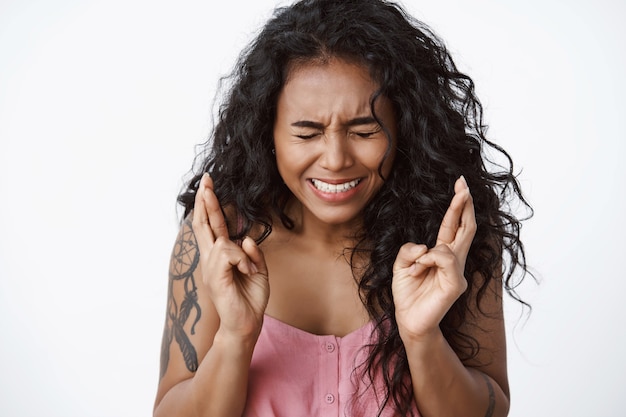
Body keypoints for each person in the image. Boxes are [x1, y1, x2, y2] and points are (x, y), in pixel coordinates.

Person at [153, 0, 531, 416]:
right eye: (307, 133)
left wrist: (422, 338)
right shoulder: (217, 237)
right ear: (269, 133)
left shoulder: (451, 237)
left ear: (403, 125)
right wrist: (236, 336)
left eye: (365, 130)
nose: (335, 159)